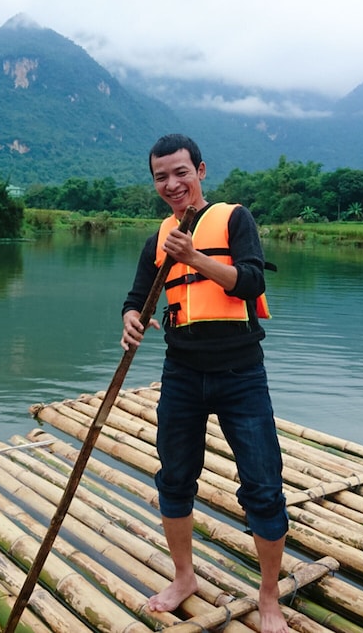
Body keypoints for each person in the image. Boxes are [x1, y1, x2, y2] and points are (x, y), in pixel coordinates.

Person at [120, 133, 289, 633]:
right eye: (161, 177)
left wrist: (194, 258)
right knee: (174, 479)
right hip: (182, 372)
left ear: (200, 170)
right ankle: (184, 577)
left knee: (262, 487)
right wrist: (131, 316)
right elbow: (137, 296)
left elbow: (253, 281)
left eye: (180, 172)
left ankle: (269, 596)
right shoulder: (158, 238)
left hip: (241, 373)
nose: (172, 184)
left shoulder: (234, 219)